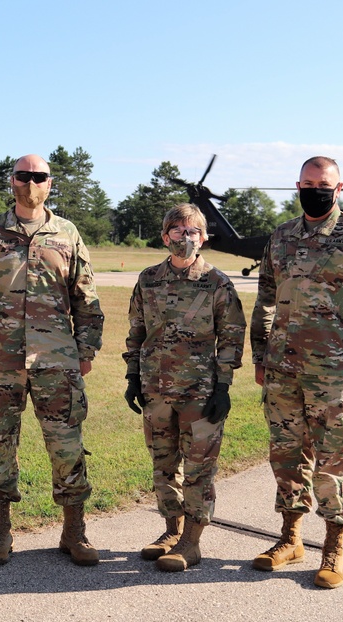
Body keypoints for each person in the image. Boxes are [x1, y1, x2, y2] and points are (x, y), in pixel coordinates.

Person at [250, 156, 343, 588]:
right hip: (282, 370)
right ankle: (290, 538)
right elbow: (265, 300)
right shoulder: (280, 238)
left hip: (333, 373)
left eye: (324, 183)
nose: (315, 188)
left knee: (333, 461)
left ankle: (334, 546)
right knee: (285, 456)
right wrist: (261, 356)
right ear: (297, 185)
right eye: (308, 182)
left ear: (339, 189)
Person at [0, 154, 105, 567]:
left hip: (57, 362)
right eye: (23, 176)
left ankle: (74, 532)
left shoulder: (67, 234)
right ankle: (0, 533)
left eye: (38, 177)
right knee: (0, 444)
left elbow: (87, 301)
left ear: (50, 184)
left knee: (67, 446)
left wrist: (85, 352)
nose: (30, 183)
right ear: (12, 181)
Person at [123, 203, 246, 572]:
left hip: (200, 392)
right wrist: (133, 376)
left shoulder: (217, 283)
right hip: (156, 389)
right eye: (177, 231)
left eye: (192, 231)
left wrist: (223, 386)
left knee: (198, 469)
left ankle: (192, 541)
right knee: (163, 465)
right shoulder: (148, 279)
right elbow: (137, 330)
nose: (185, 237)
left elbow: (232, 336)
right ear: (165, 237)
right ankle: (171, 531)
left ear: (204, 238)